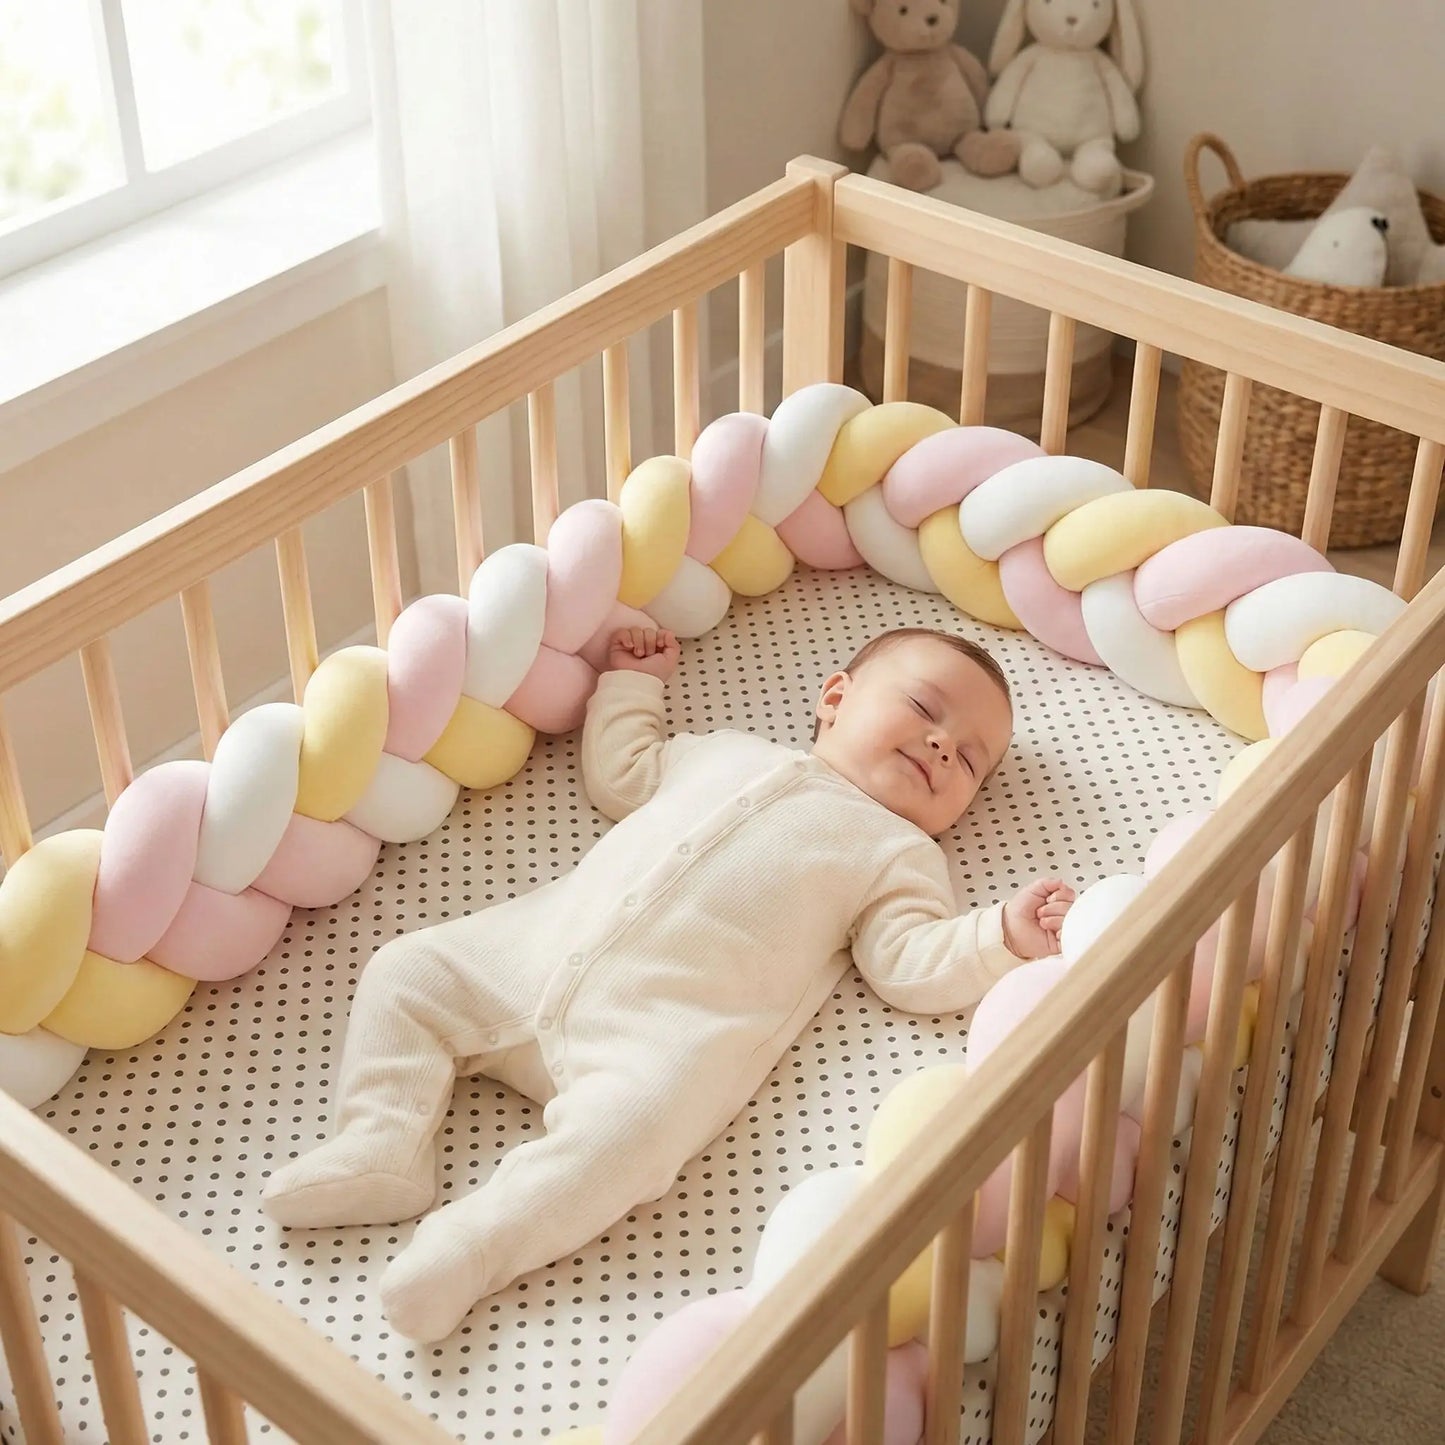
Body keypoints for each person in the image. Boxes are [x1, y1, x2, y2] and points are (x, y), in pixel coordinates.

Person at [262, 624, 1075, 1341]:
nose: (942, 745)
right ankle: (380, 1137)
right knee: (408, 969)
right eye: (926, 709)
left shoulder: (899, 854)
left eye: (970, 758)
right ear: (835, 696)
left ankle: (471, 1247)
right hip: (527, 951)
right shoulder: (726, 750)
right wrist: (631, 685)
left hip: (658, 1035)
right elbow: (622, 774)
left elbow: (906, 962)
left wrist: (998, 932)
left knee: (632, 1136)